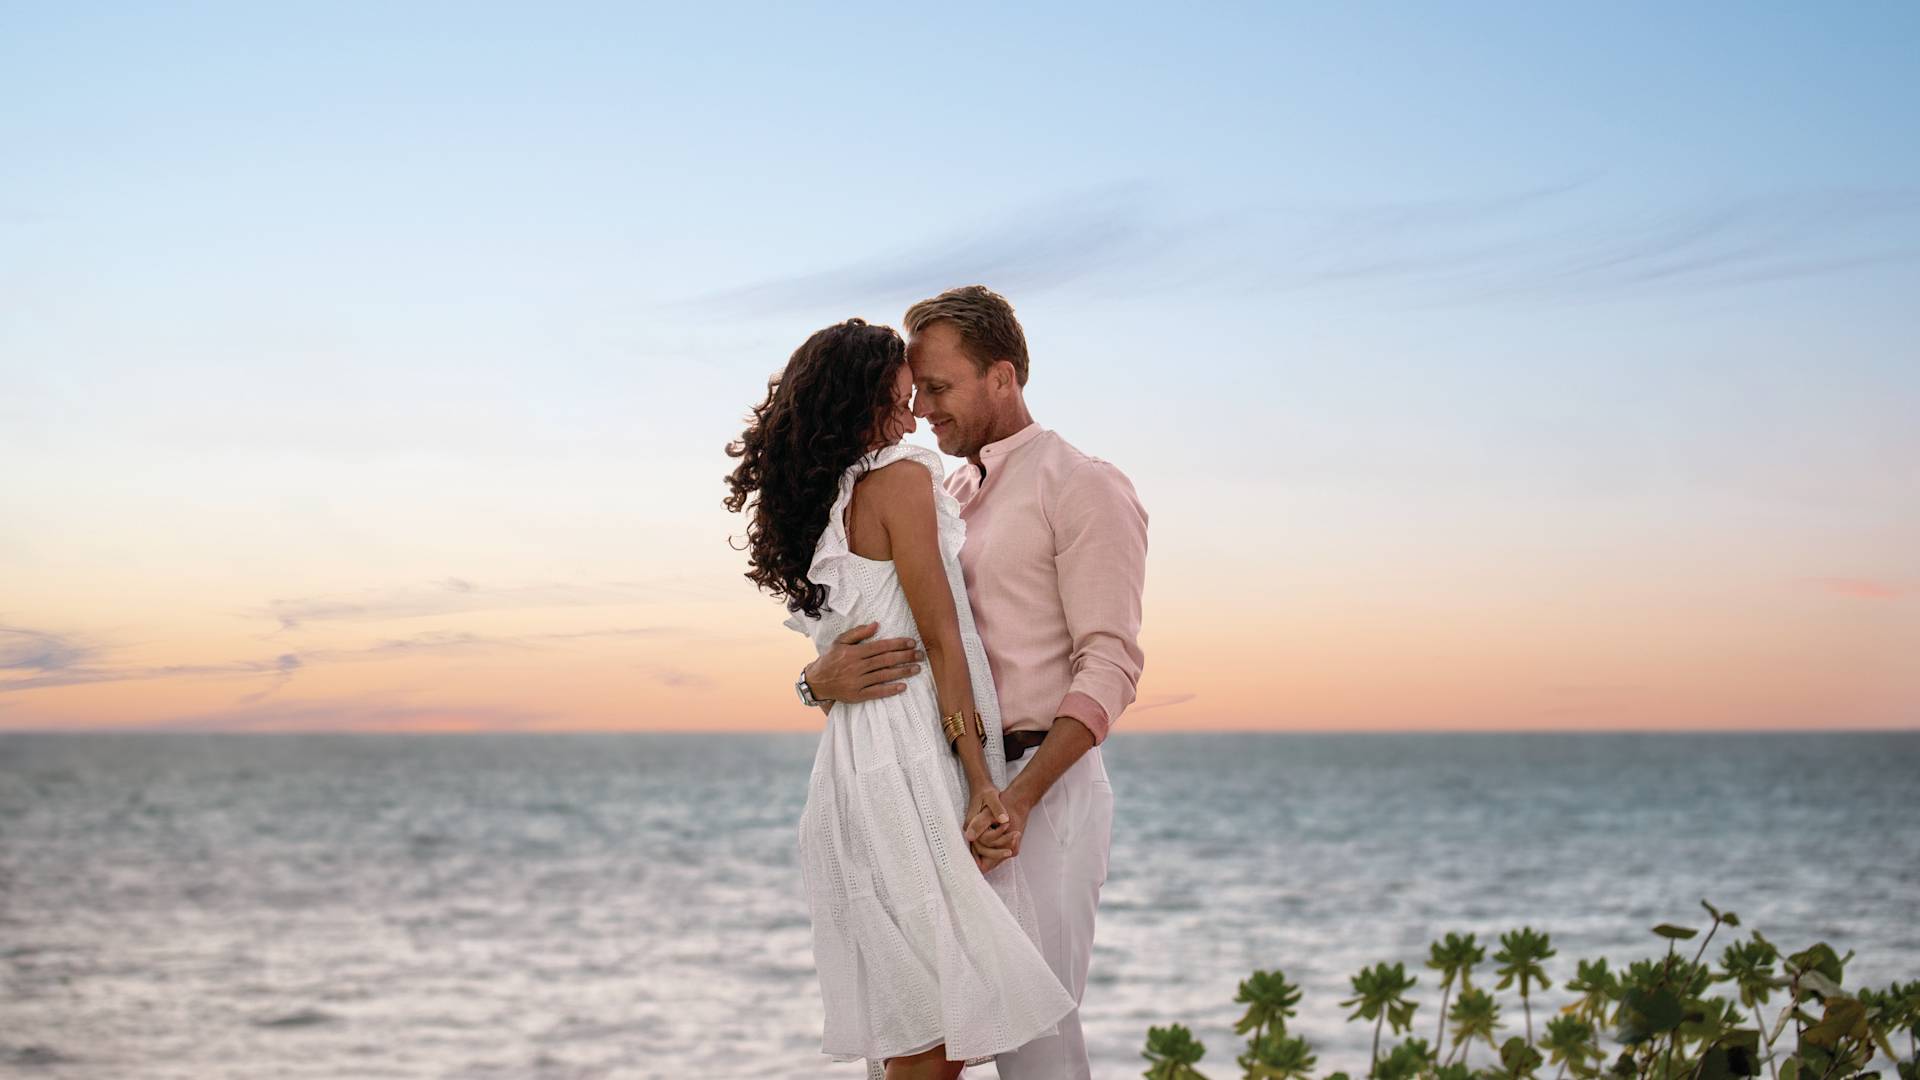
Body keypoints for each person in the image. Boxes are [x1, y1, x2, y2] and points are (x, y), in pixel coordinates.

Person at [799, 285, 1149, 1080]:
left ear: (1004, 376)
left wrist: (1017, 801)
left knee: (1037, 1046)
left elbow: (1111, 665)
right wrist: (816, 682)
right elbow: (895, 636)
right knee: (923, 1029)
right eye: (915, 390)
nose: (921, 408)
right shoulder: (943, 493)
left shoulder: (1081, 484)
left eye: (940, 388)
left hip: (1038, 789)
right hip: (945, 789)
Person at [725, 317, 1077, 1080]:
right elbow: (945, 641)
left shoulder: (831, 503)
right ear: (863, 405)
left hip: (854, 775)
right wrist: (984, 781)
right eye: (899, 396)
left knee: (917, 1034)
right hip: (909, 768)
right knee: (936, 1037)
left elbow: (837, 660)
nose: (914, 412)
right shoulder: (903, 480)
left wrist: (812, 684)